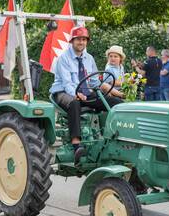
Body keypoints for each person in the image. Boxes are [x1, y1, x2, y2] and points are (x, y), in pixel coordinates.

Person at [50, 26, 122, 165]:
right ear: (72, 41)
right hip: (63, 92)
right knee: (74, 103)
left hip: (84, 91)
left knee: (114, 102)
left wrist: (111, 91)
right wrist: (76, 94)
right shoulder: (63, 59)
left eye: (84, 39)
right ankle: (77, 144)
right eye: (78, 39)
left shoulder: (89, 58)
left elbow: (95, 81)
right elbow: (67, 83)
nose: (81, 42)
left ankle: (111, 137)